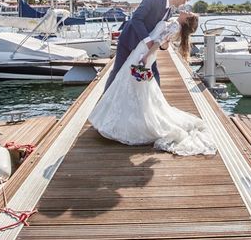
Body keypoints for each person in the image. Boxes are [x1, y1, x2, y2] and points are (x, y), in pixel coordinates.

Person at [89, 12, 217, 156]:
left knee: (134, 85)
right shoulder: (174, 23)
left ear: (186, 19)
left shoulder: (175, 25)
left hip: (144, 53)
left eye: (187, 13)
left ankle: (135, 123)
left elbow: (158, 42)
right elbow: (164, 43)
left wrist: (146, 57)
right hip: (143, 50)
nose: (185, 10)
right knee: (132, 84)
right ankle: (129, 117)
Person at [105, 0, 192, 91]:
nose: (184, 3)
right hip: (129, 40)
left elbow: (158, 32)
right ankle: (105, 98)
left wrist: (162, 44)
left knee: (153, 73)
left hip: (146, 48)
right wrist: (148, 40)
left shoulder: (169, 11)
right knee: (117, 70)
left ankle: (154, 103)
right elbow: (136, 19)